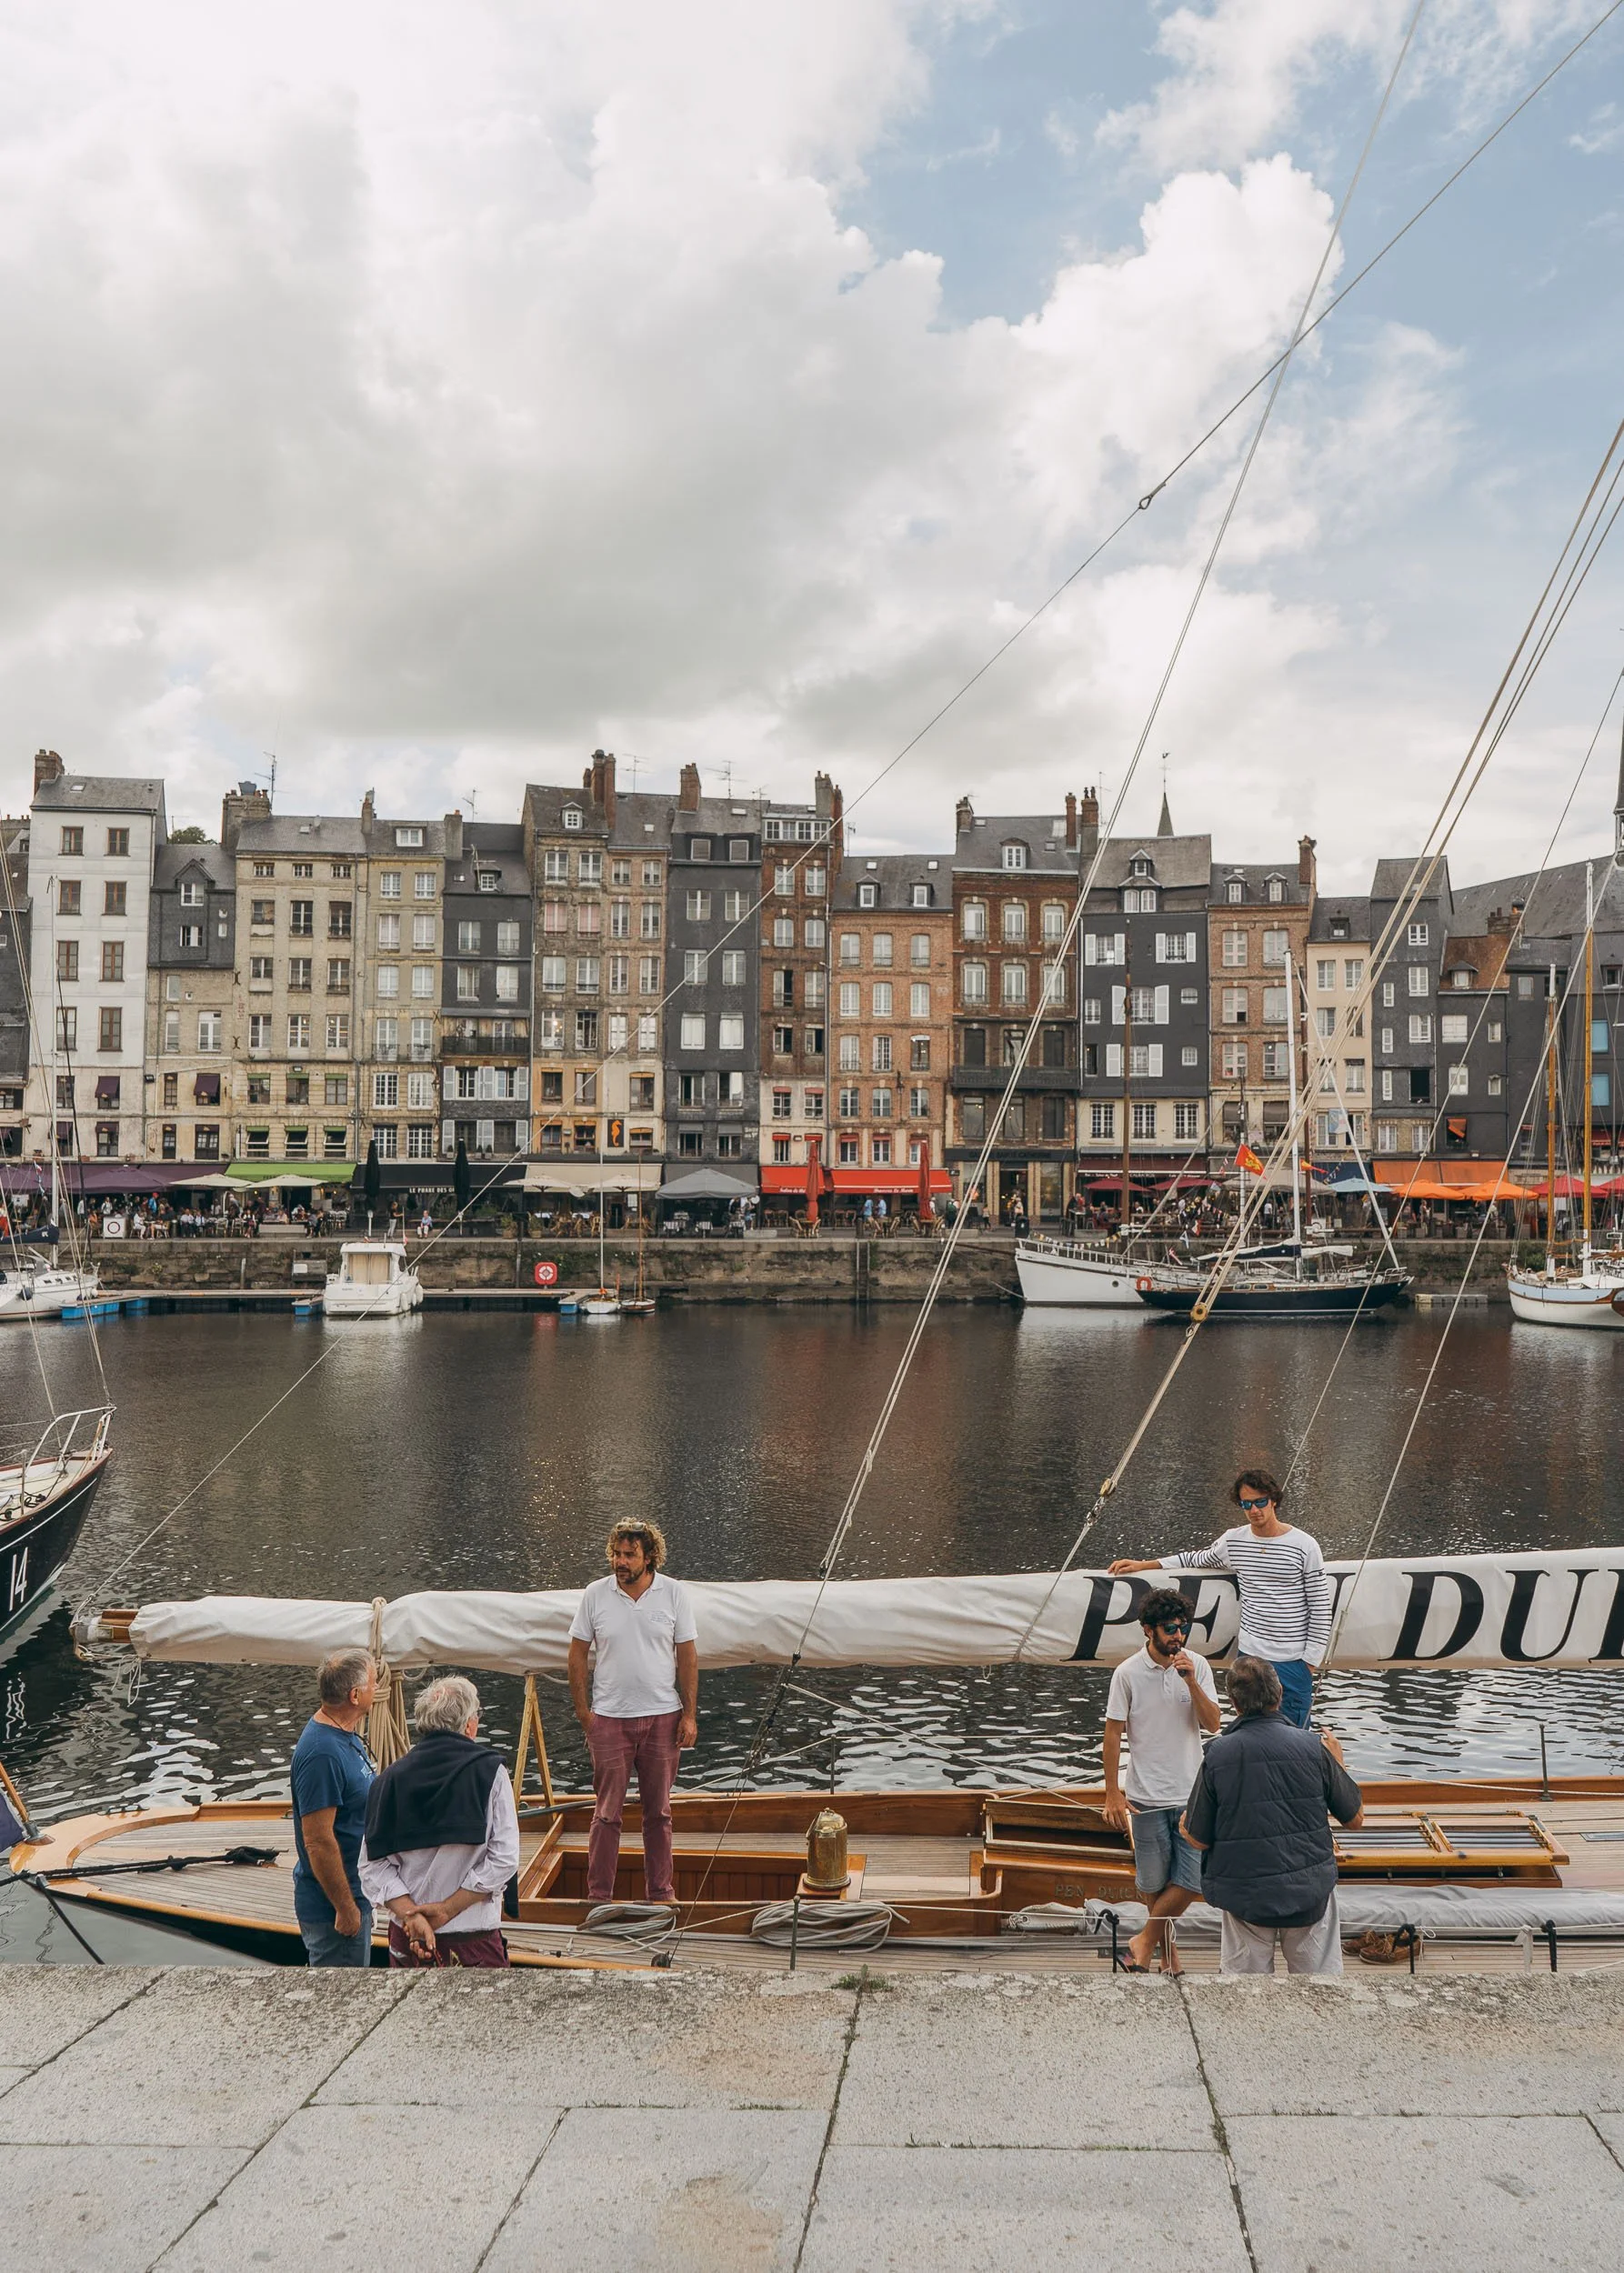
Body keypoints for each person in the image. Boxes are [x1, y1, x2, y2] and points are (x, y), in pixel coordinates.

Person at [1181, 1655, 1364, 1976]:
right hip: (1310, 1894)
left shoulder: (1218, 1754)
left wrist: (1185, 1825)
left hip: (1245, 1898)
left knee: (1246, 2000)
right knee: (1322, 1997)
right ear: (1279, 1697)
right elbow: (1355, 1818)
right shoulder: (1313, 1747)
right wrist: (1339, 1765)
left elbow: (1197, 1839)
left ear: (1235, 1703)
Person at [1108, 1468, 1332, 1728]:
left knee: (1296, 1737)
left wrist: (1309, 1663)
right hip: (1251, 1657)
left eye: (1260, 1502)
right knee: (1249, 1733)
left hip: (1294, 1662)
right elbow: (1195, 1558)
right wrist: (1145, 1565)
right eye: (1246, 1504)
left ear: (1273, 1500)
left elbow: (1320, 1606)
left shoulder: (1304, 1545)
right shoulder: (1234, 1541)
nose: (1254, 1510)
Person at [568, 1520, 698, 1906]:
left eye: (629, 1555)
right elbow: (577, 1654)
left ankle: (661, 1893)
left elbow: (687, 1656)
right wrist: (584, 1714)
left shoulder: (674, 1593)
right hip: (609, 1720)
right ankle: (599, 1897)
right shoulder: (595, 1595)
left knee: (658, 1812)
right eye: (616, 1554)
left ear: (649, 1557)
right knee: (606, 1813)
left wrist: (689, 1715)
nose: (620, 1561)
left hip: (663, 1718)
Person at [359, 1674, 519, 1968]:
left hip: (409, 1939)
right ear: (469, 1725)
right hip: (473, 1940)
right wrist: (446, 1910)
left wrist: (412, 1914)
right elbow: (505, 1860)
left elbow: (371, 1867)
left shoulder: (388, 1780)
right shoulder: (490, 1773)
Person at [1101, 1587, 1222, 1973]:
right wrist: (1112, 1794)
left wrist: (1191, 1683)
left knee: (1193, 1881)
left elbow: (1213, 1724)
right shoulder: (1127, 1674)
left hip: (1191, 1795)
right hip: (1144, 1797)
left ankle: (1143, 1941)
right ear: (1147, 1630)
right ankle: (1170, 1958)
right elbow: (1113, 1734)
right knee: (1153, 1885)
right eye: (1170, 1628)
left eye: (1183, 1628)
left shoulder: (1198, 1667)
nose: (1178, 1636)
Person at [290, 1649, 377, 1967]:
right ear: (355, 1695)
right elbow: (318, 1840)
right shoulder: (322, 1753)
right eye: (373, 1684)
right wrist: (345, 1907)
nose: (377, 1689)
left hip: (357, 1892)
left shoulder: (343, 1735)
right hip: (335, 1908)